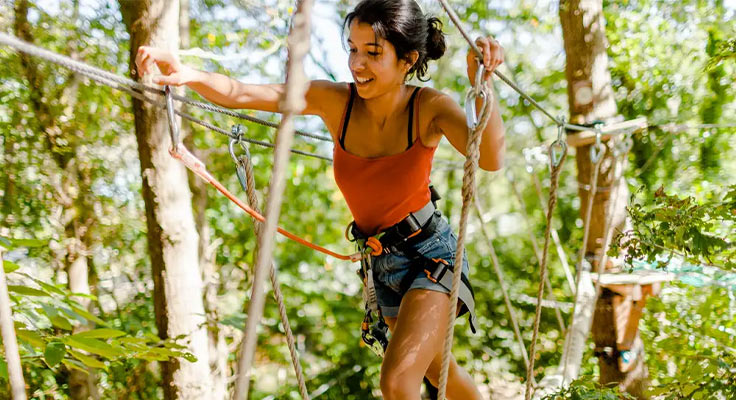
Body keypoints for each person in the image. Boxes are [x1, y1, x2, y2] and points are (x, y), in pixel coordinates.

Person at [135, 0, 505, 398]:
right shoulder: (335, 102)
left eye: (373, 53)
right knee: (437, 371)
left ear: (407, 60)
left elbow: (490, 158)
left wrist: (482, 85)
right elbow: (245, 93)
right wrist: (187, 74)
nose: (357, 63)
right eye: (352, 49)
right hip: (382, 262)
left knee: (398, 381)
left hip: (431, 256)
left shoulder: (429, 107)